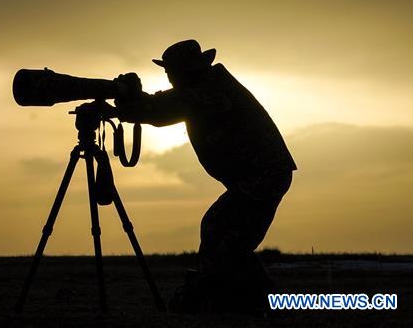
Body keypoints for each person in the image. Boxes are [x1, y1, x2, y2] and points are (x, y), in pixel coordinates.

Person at [114, 39, 296, 313]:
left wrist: (130, 101)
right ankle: (255, 300)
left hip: (263, 174)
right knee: (231, 238)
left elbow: (162, 110)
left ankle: (219, 296)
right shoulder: (207, 87)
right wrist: (132, 101)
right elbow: (164, 106)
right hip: (259, 174)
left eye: (171, 71)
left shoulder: (207, 91)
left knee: (219, 228)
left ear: (186, 70)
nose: (170, 77)